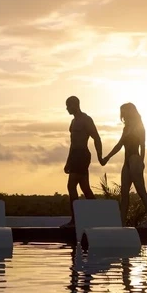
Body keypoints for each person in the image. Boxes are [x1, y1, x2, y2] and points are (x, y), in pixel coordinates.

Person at [101, 102, 147, 227]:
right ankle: (121, 223)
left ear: (131, 111)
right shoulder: (126, 128)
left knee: (141, 191)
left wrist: (141, 161)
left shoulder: (139, 127)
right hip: (126, 161)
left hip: (135, 159)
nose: (123, 114)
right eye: (122, 111)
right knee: (124, 193)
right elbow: (119, 145)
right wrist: (107, 158)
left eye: (125, 111)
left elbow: (143, 145)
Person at [62, 95, 103, 228]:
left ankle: (75, 220)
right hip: (74, 156)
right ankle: (99, 215)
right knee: (85, 188)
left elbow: (96, 138)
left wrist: (100, 156)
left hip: (82, 155)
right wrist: (68, 162)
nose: (67, 109)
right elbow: (72, 144)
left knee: (71, 185)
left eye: (68, 106)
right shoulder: (73, 122)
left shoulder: (86, 120)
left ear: (75, 105)